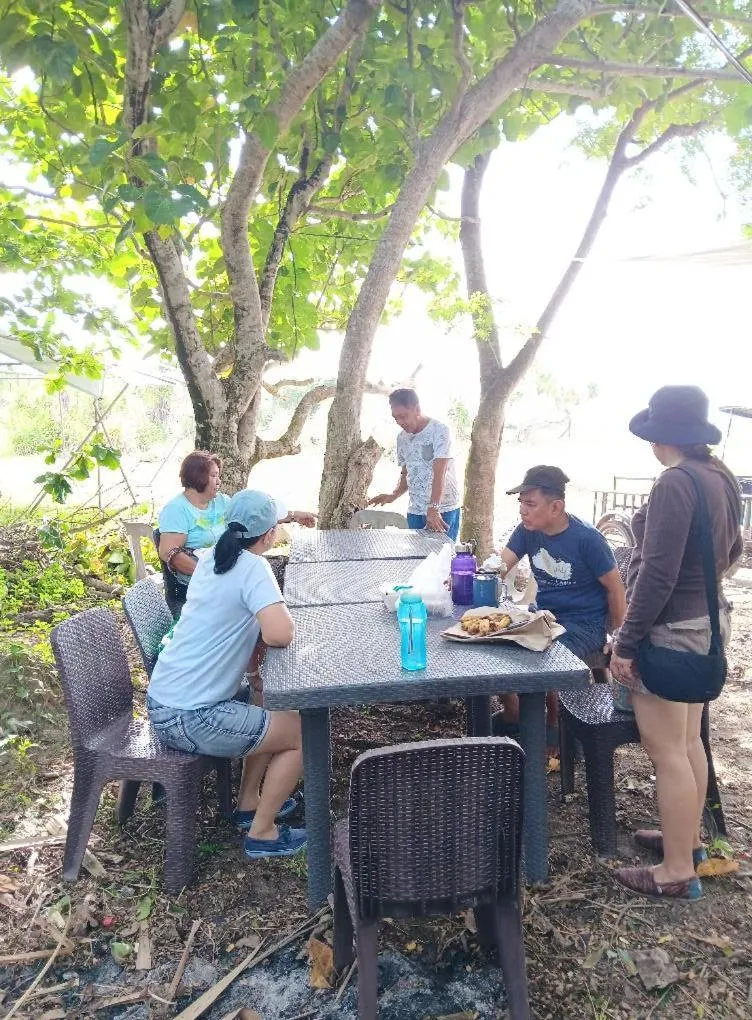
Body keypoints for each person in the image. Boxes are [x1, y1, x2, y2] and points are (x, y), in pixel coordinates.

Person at [609, 386, 742, 900]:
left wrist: (626, 642)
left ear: (662, 436)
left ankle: (676, 870)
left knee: (666, 751)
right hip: (709, 622)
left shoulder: (674, 484)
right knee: (688, 742)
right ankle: (687, 840)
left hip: (670, 632)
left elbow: (657, 575)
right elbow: (731, 551)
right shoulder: (720, 476)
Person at [147, 489, 307, 859]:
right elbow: (279, 633)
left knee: (265, 702)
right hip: (190, 715)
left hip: (166, 700)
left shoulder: (211, 556)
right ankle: (262, 833)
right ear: (268, 535)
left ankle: (249, 803)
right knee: (303, 732)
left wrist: (254, 672)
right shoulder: (253, 567)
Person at [494, 466, 626, 745]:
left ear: (556, 507)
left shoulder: (588, 540)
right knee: (494, 640)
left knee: (547, 655)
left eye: (531, 504)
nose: (523, 511)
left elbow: (615, 590)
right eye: (521, 504)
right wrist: (473, 575)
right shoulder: (527, 531)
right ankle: (514, 711)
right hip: (543, 616)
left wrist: (618, 637)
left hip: (584, 624)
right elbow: (501, 566)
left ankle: (557, 732)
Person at [158, 450, 316, 584]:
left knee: (288, 568)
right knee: (268, 579)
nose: (219, 481)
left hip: (230, 565)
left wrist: (294, 516)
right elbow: (169, 552)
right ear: (197, 477)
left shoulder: (221, 501)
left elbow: (255, 515)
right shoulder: (176, 509)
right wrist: (211, 574)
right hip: (203, 580)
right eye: (214, 476)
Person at [368, 388, 461, 540]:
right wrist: (394, 494)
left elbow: (440, 472)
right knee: (416, 559)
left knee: (441, 559)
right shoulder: (402, 439)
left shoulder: (439, 430)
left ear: (417, 409)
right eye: (395, 418)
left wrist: (434, 508)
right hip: (416, 510)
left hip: (443, 509)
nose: (399, 422)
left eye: (403, 416)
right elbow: (407, 473)